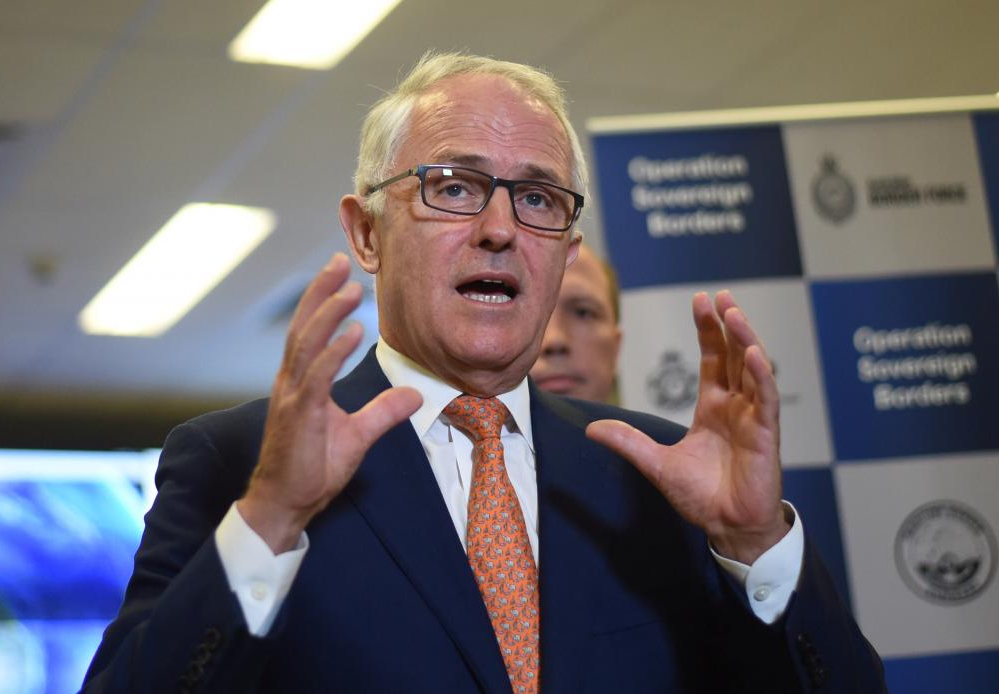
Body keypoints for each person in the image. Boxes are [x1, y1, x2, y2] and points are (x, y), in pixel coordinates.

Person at [82, 53, 883, 693]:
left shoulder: (662, 478)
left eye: (538, 199)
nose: (500, 228)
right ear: (367, 234)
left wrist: (754, 544)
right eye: (454, 187)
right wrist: (269, 520)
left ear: (567, 249)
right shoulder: (239, 463)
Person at [530, 245, 621, 403]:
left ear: (616, 347)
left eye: (582, 312)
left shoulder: (666, 429)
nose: (554, 340)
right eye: (529, 312)